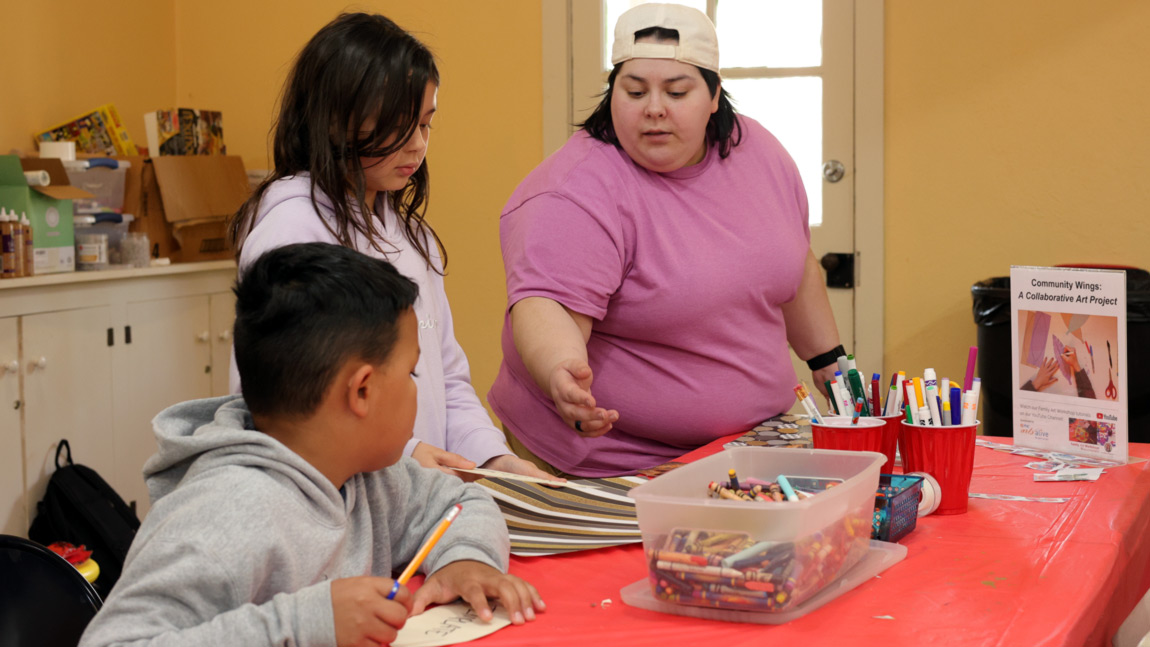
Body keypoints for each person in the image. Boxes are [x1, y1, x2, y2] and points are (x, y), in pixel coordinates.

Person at [79, 243, 545, 647]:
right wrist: (304, 625)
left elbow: (460, 502)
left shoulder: (367, 476)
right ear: (361, 391)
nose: (416, 389)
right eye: (411, 373)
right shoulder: (225, 516)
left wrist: (465, 559)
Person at [489, 4, 843, 478]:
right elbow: (545, 306)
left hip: (748, 446)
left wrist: (830, 363)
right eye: (634, 91)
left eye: (677, 91)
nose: (654, 108)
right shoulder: (574, 191)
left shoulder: (758, 152)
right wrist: (563, 373)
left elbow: (794, 265)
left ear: (715, 95)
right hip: (615, 459)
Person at [226, 12, 551, 481]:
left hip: (413, 495)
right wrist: (407, 452)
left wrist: (493, 459)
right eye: (399, 127)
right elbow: (281, 411)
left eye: (426, 125)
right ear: (338, 120)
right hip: (339, 503)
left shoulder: (406, 235)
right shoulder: (292, 229)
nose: (418, 146)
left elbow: (448, 377)